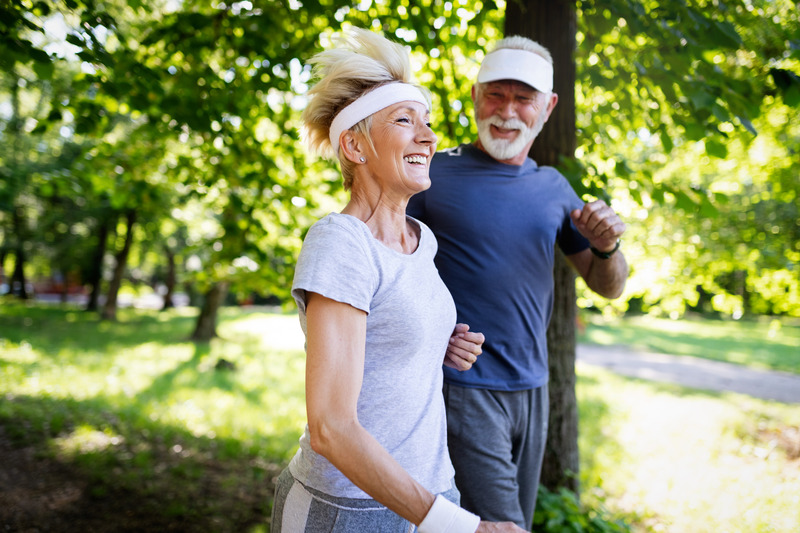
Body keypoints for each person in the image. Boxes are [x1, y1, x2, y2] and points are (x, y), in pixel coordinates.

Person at [270, 28, 526, 533]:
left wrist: (434, 342)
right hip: (347, 510)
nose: (429, 137)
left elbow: (387, 334)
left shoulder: (421, 240)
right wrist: (460, 526)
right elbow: (330, 427)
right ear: (354, 146)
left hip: (430, 492)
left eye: (427, 123)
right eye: (405, 121)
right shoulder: (341, 242)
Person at [407, 36, 630, 530]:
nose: (507, 112)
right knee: (501, 527)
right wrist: (425, 331)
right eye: (495, 94)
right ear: (474, 95)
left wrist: (607, 248)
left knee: (512, 523)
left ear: (547, 107)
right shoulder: (430, 174)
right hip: (463, 385)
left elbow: (606, 285)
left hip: (533, 389)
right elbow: (383, 262)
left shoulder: (554, 187)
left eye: (523, 98)